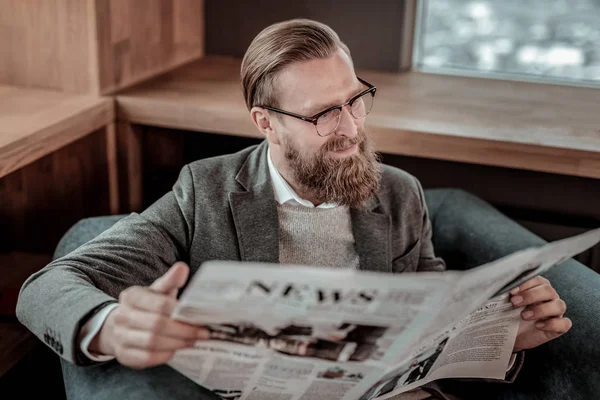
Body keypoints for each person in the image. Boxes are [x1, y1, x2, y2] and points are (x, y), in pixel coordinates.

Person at [16, 19, 572, 400]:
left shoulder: (399, 192)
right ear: (266, 123)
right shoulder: (204, 191)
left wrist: (501, 334)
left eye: (355, 99)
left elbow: (427, 305)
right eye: (323, 114)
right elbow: (48, 286)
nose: (352, 127)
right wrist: (111, 327)